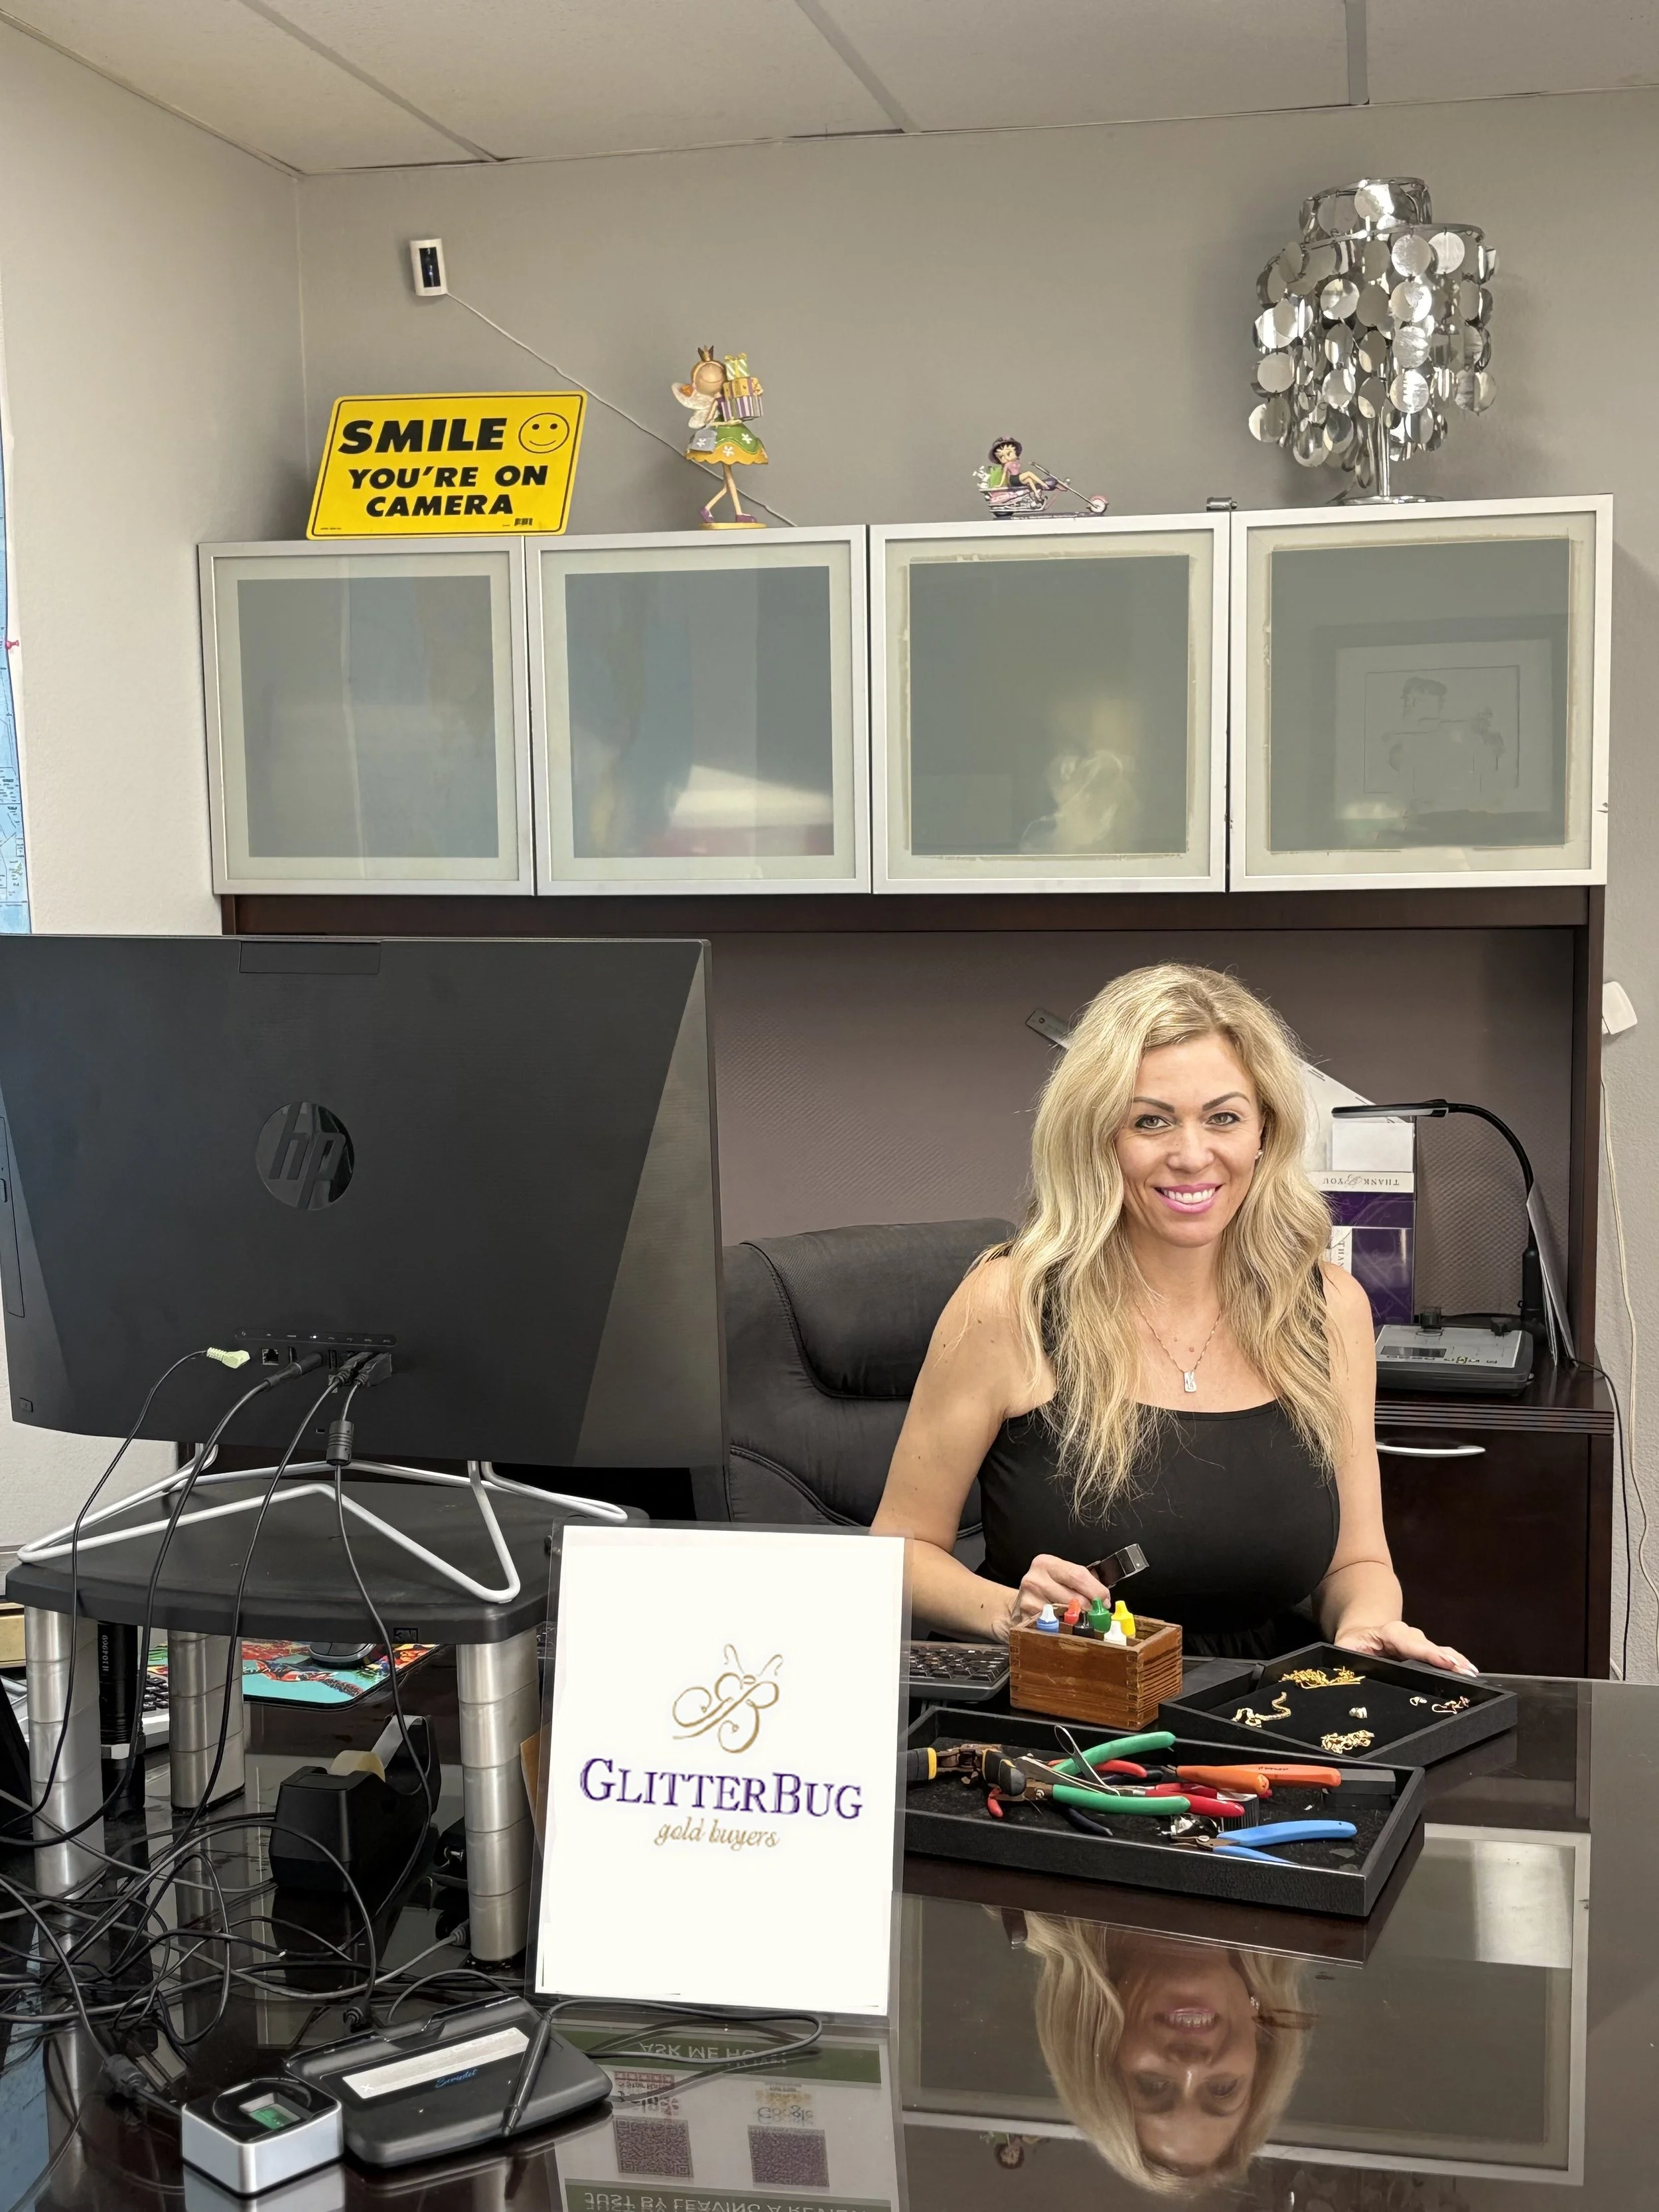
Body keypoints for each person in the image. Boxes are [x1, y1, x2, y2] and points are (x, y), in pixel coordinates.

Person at [873, 962, 1476, 1668]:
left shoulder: (1328, 1309)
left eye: (1223, 1117)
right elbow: (901, 1551)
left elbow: (1356, 1562)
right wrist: (1010, 1613)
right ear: (1099, 1138)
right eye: (1150, 1121)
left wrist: (1364, 1628)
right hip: (1068, 1715)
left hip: (1266, 1715)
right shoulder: (1008, 1303)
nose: (1192, 1156)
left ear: (1263, 1133)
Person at [1021, 1919, 1312, 2195]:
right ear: (1261, 2033)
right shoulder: (1321, 1900)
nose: (1192, 2067)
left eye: (1153, 2085)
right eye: (1223, 2089)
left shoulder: (1023, 1886)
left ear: (1095, 2033)